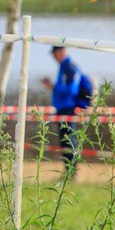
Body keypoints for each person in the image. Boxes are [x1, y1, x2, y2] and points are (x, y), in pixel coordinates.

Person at [42, 45, 93, 176]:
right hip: (62, 109)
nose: (54, 57)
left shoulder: (69, 67)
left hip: (67, 109)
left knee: (69, 140)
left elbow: (71, 90)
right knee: (65, 141)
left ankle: (71, 172)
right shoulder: (64, 67)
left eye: (55, 54)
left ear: (61, 52)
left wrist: (53, 87)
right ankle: (69, 171)